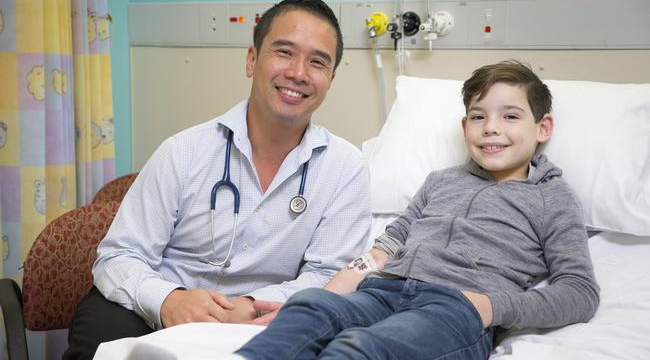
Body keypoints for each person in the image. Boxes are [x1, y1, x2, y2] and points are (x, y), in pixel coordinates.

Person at [63, 0, 372, 359]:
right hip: (156, 311)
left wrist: (255, 303)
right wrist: (167, 301)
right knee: (104, 334)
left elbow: (329, 276)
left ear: (330, 79)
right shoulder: (184, 151)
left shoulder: (345, 169)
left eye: (317, 61)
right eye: (284, 52)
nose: (299, 72)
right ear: (252, 60)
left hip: (265, 321)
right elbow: (119, 255)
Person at [232, 60, 601, 360]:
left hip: (453, 312)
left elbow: (580, 292)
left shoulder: (551, 196)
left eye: (510, 116)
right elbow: (382, 250)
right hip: (383, 293)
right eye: (478, 116)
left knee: (359, 348)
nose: (490, 128)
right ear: (464, 125)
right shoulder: (440, 181)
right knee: (309, 307)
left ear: (543, 127)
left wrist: (491, 307)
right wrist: (325, 298)